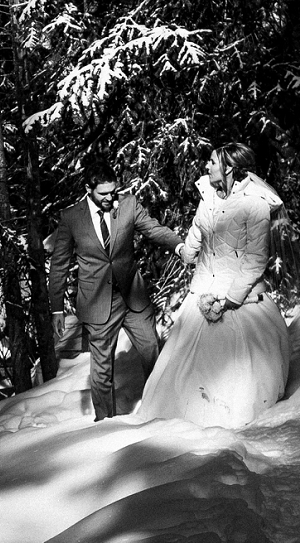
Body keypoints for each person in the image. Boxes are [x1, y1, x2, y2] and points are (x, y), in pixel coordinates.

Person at [135, 143, 290, 427]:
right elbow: (198, 233)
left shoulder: (254, 204)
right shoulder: (208, 197)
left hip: (238, 299)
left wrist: (231, 299)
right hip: (203, 291)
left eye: (212, 162)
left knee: (234, 373)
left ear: (229, 167)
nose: (206, 167)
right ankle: (174, 422)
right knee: (181, 370)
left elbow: (256, 260)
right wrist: (185, 250)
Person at [46, 171, 195, 420]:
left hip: (133, 297)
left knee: (152, 352)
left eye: (112, 191)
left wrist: (179, 246)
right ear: (87, 188)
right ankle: (105, 422)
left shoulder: (128, 205)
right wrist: (57, 309)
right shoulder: (71, 217)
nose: (109, 197)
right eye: (103, 193)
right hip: (97, 303)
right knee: (102, 369)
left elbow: (153, 229)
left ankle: (162, 411)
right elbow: (59, 264)